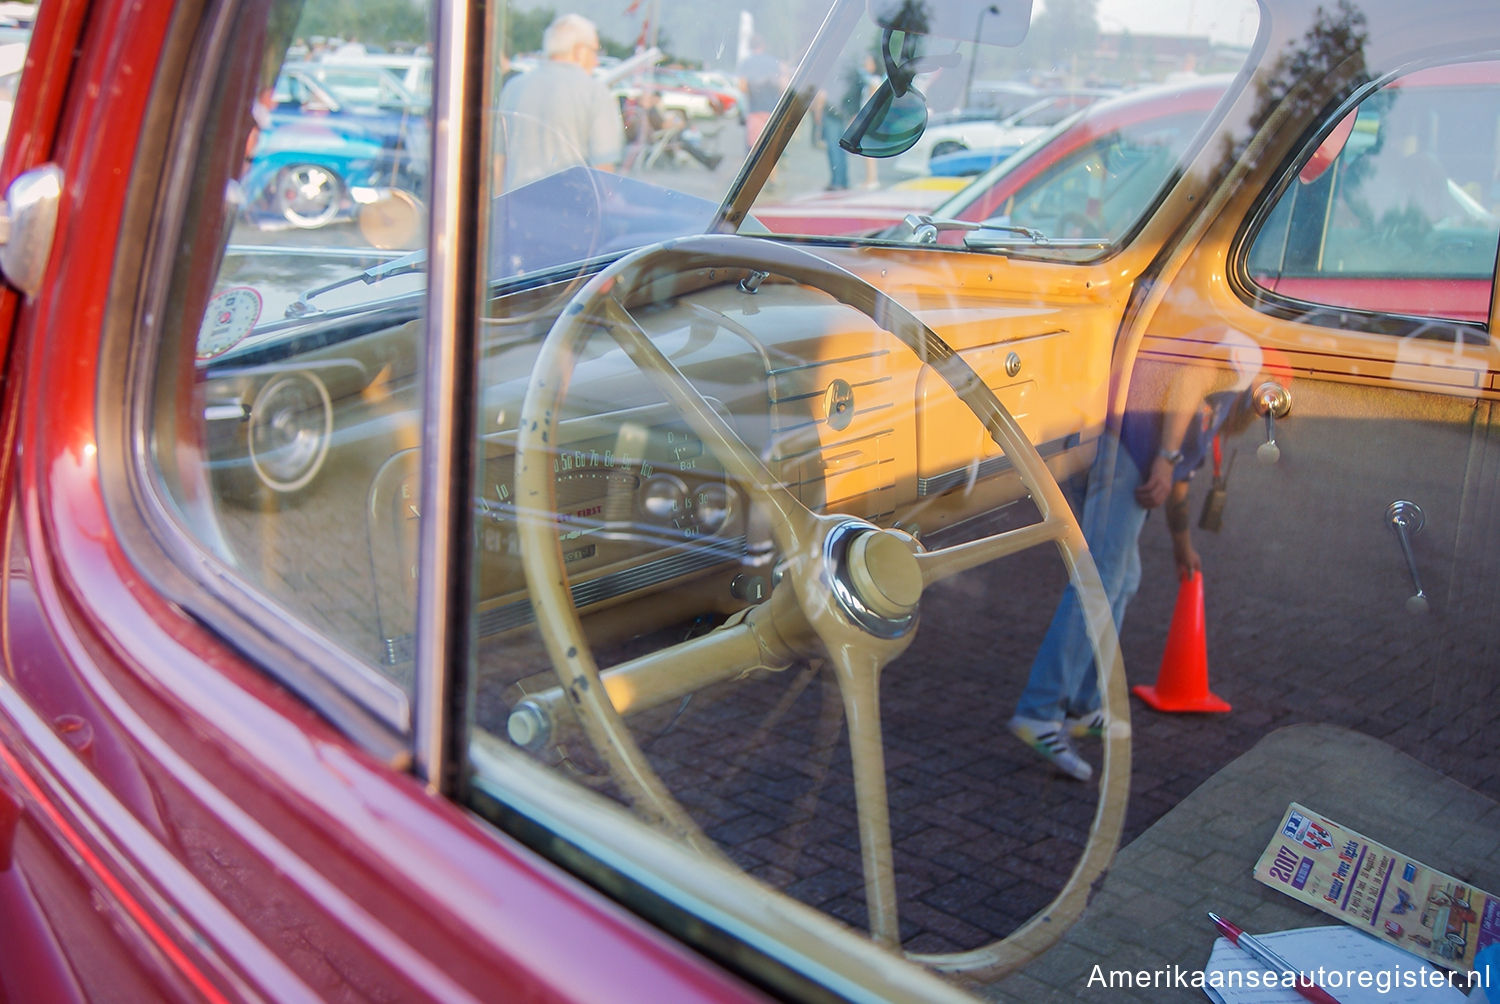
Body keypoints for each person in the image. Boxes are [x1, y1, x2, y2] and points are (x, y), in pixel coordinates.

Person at [1006, 342, 1291, 781]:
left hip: (1120, 453)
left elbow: (1178, 487)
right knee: (1101, 582)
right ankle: (1041, 712)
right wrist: (1166, 455)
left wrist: (1182, 546)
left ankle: (1083, 703)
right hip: (1127, 453)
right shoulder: (1240, 374)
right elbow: (1191, 375)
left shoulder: (1220, 410)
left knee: (1123, 578)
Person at [492, 14, 624, 191]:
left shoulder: (513, 88)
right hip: (570, 212)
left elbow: (498, 160)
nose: (596, 60)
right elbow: (604, 170)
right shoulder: (595, 92)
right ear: (579, 51)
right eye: (594, 50)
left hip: (517, 208)